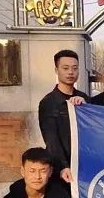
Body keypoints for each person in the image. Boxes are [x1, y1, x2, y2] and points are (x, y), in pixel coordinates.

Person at [38, 50, 90, 184]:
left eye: (74, 68)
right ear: (56, 70)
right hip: (62, 169)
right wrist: (63, 166)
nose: (70, 72)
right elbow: (51, 139)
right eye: (65, 68)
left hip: (85, 165)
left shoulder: (84, 98)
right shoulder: (49, 102)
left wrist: (86, 108)